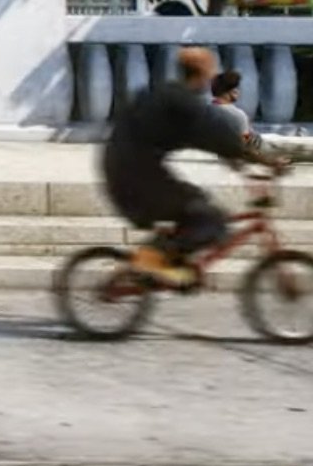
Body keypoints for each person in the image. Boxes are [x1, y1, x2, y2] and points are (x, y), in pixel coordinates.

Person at [102, 48, 286, 287]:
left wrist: (235, 159)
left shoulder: (169, 94)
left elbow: (205, 137)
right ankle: (154, 262)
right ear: (203, 74)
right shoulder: (183, 102)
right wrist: (265, 161)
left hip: (125, 166)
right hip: (134, 174)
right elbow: (216, 135)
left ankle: (164, 259)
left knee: (194, 203)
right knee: (211, 220)